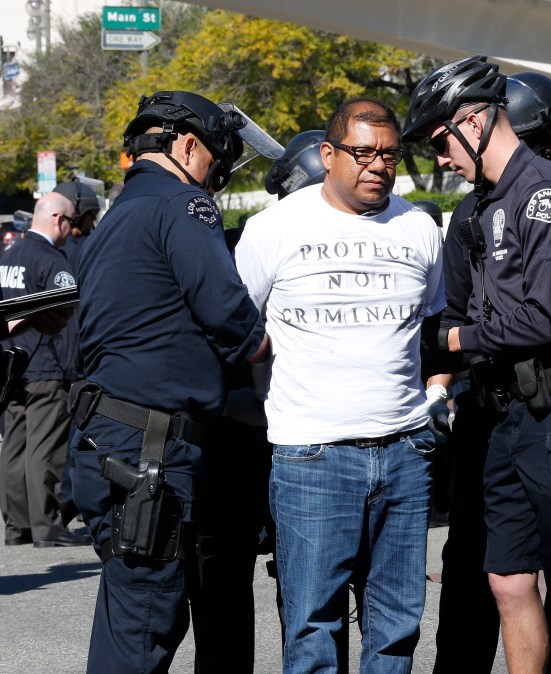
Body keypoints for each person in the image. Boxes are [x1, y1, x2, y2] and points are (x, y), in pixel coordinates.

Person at [402, 55, 551, 674]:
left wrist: (448, 341)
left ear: (475, 121)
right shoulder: (482, 206)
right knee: (507, 581)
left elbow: (544, 320)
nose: (440, 161)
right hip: (502, 414)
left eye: (440, 142)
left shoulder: (548, 197)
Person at [67, 90, 275, 673]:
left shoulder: (116, 216)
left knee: (126, 617)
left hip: (108, 440)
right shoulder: (185, 207)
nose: (214, 182)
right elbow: (229, 316)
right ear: (187, 145)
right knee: (144, 630)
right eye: (214, 163)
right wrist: (272, 343)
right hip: (152, 452)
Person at [236, 98, 444, 674]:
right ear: (328, 155)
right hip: (313, 458)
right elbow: (236, 330)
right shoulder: (272, 230)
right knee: (312, 627)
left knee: (398, 624)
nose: (377, 164)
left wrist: (438, 394)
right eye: (362, 152)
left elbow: (434, 326)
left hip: (406, 451)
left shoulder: (420, 228)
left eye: (389, 154)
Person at [193, 128, 330, 673]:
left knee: (309, 587)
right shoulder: (243, 241)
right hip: (236, 438)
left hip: (306, 438)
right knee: (223, 580)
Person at [0, 190, 88, 548]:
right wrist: (73, 369)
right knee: (45, 448)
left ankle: (16, 527)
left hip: (11, 364)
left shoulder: (8, 255)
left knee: (14, 446)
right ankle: (47, 527)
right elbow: (65, 320)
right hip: (45, 366)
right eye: (70, 223)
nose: (70, 231)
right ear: (58, 220)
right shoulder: (51, 261)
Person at [52, 179, 101, 267]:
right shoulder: (84, 249)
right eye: (91, 213)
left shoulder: (44, 245)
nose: (94, 218)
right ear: (76, 216)